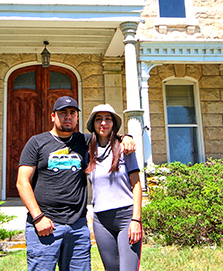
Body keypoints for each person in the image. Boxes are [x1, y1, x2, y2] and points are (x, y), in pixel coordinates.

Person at [16, 96, 136, 271]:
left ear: (77, 118)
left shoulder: (85, 141)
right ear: (53, 116)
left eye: (72, 113)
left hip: (77, 226)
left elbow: (107, 135)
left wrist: (127, 137)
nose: (68, 117)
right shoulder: (37, 142)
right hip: (45, 225)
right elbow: (22, 182)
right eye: (63, 113)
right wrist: (38, 217)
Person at [85, 104, 142, 271]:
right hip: (101, 221)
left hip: (126, 217)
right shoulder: (88, 151)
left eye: (108, 119)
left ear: (114, 124)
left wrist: (136, 220)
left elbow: (137, 184)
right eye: (99, 119)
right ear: (93, 124)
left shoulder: (125, 148)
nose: (103, 123)